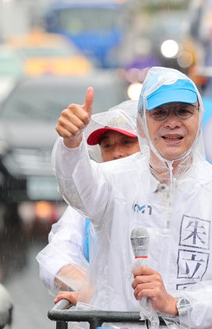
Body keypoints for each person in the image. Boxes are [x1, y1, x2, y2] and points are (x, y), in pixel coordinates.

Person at [52, 67, 212, 329]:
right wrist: (71, 143)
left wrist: (178, 303)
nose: (172, 123)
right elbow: (75, 188)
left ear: (199, 118)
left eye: (182, 111)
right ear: (141, 122)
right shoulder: (112, 180)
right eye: (160, 113)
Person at [37, 99, 140, 304]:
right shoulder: (91, 201)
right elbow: (54, 259)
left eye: (127, 142)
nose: (117, 153)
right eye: (107, 145)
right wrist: (94, 290)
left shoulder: (167, 194)